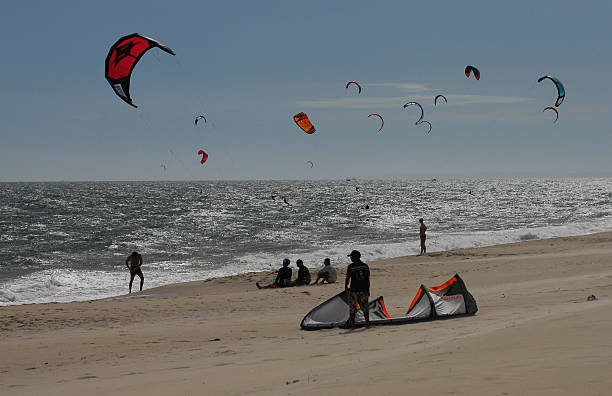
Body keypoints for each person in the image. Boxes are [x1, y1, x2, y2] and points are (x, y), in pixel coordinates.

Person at [345, 250, 370, 329]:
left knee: (352, 308)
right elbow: (368, 279)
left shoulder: (351, 267)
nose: (351, 258)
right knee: (365, 308)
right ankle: (367, 323)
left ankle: (353, 325)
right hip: (364, 290)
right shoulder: (365, 266)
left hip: (354, 290)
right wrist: (368, 290)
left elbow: (348, 278)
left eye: (351, 257)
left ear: (354, 257)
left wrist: (346, 287)